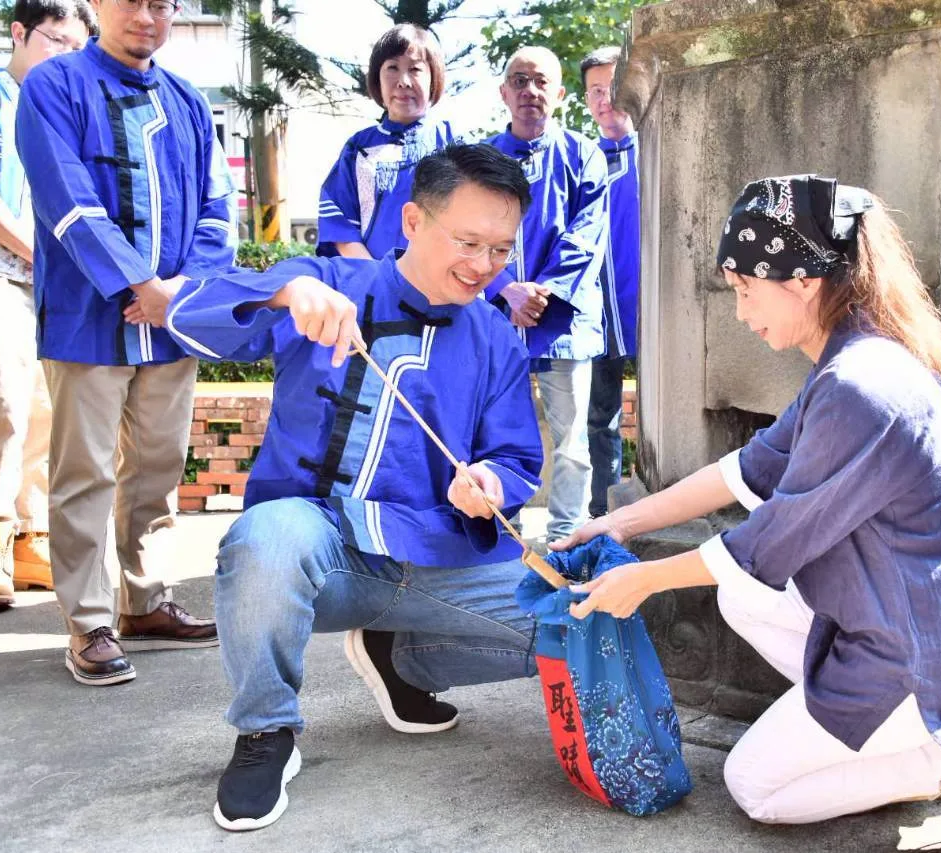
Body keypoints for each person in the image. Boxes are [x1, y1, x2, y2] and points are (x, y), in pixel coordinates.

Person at [557, 175, 941, 853]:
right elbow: (742, 472)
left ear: (802, 280)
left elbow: (766, 543)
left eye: (746, 289)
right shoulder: (859, 359)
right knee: (739, 601)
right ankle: (925, 738)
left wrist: (640, 580)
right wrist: (620, 524)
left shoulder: (858, 387)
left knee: (755, 784)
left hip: (933, 655)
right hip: (940, 621)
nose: (739, 311)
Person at [163, 144, 544, 832]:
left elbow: (516, 456)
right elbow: (187, 313)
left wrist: (490, 480)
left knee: (570, 618)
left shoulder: (496, 335)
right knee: (268, 540)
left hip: (432, 560)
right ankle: (266, 732)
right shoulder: (330, 280)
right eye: (468, 241)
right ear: (411, 221)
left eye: (500, 249)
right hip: (323, 552)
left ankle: (404, 660)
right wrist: (283, 291)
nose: (485, 265)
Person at [16, 0, 235, 684]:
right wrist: (136, 281)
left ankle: (145, 600)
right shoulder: (54, 86)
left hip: (171, 321)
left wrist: (177, 291)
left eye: (162, 3)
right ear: (97, 5)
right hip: (88, 314)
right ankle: (88, 622)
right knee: (83, 471)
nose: (147, 14)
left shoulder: (191, 103)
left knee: (159, 467)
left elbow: (217, 208)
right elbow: (66, 201)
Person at [0, 0, 94, 611]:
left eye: (79, 48)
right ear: (19, 32)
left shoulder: (68, 109)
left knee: (49, 409)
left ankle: (29, 538)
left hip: (54, 286)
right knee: (2, 403)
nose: (67, 57)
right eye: (56, 41)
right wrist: (36, 250)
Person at [485, 46, 608, 543]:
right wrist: (503, 289)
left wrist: (543, 294)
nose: (529, 92)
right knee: (498, 438)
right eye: (519, 80)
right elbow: (467, 236)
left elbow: (587, 236)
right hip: (496, 322)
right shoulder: (481, 160)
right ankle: (504, 535)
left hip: (565, 323)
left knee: (573, 443)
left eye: (540, 82)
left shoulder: (584, 155)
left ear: (559, 94)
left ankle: (566, 539)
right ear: (503, 93)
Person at [317, 23, 459, 260]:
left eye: (415, 69)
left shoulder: (454, 144)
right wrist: (379, 279)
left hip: (442, 287)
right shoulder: (358, 148)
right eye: (392, 68)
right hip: (370, 284)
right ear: (377, 79)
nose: (403, 81)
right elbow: (339, 226)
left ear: (434, 78)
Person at [579, 46, 638, 518]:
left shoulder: (659, 150)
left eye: (612, 86)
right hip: (598, 314)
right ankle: (604, 517)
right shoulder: (583, 162)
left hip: (651, 311)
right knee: (600, 421)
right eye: (595, 90)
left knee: (664, 422)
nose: (605, 98)